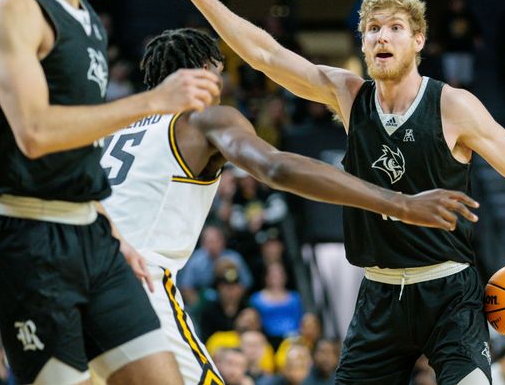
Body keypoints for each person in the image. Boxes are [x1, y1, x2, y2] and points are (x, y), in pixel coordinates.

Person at [160, 0, 505, 385]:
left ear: (417, 41)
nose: (383, 37)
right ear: (362, 44)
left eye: (395, 28)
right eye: (373, 29)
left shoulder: (453, 105)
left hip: (449, 291)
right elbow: (265, 54)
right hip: (379, 294)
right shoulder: (348, 94)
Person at [99, 27, 480, 384]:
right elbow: (274, 166)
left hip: (69, 266)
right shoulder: (204, 118)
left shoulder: (113, 128)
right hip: (135, 277)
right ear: (204, 73)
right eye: (219, 74)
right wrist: (401, 204)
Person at [0, 0, 221, 385]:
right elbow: (36, 134)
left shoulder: (88, 22)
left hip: (94, 235)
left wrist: (112, 229)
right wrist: (154, 102)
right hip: (28, 235)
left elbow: (80, 147)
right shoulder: (13, 9)